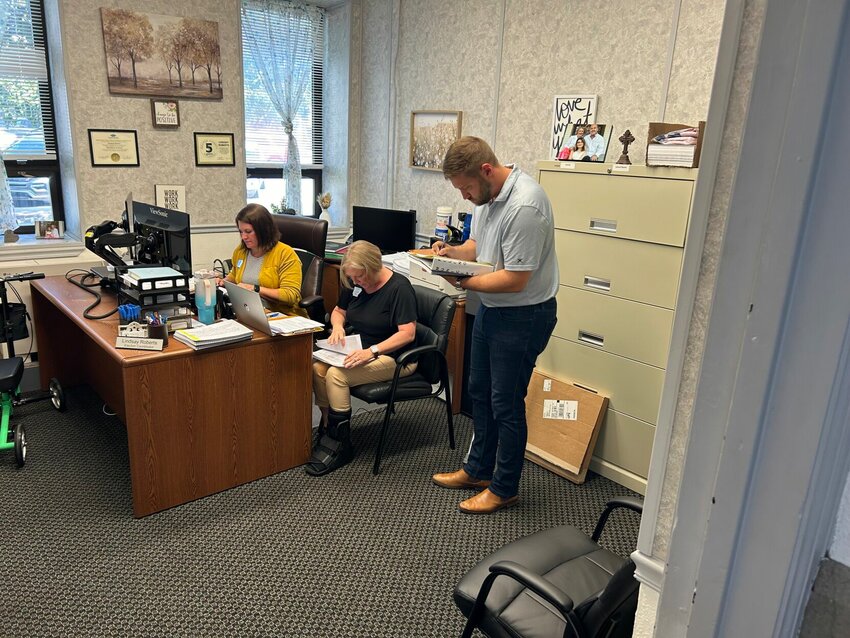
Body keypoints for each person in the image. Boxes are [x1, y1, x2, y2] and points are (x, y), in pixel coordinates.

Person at [431, 136, 559, 514]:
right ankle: (478, 470)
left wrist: (463, 282)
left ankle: (504, 488)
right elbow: (476, 246)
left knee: (506, 403)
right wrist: (451, 255)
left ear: (486, 171)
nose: (465, 196)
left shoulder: (525, 206)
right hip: (492, 308)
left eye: (467, 188)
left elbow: (515, 278)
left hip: (522, 315)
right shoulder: (487, 198)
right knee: (479, 390)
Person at [306, 240, 418, 476]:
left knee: (336, 375)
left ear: (373, 268)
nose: (356, 283)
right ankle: (328, 429)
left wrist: (372, 351)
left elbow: (408, 334)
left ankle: (342, 444)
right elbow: (339, 311)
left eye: (360, 278)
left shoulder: (399, 288)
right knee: (318, 368)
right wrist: (337, 326)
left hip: (394, 357)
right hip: (359, 348)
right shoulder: (355, 280)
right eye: (353, 279)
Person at [218, 203, 305, 317]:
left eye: (248, 232)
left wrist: (255, 289)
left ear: (263, 230)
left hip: (282, 316)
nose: (243, 237)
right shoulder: (241, 251)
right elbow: (235, 276)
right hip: (251, 313)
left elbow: (290, 295)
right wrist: (223, 281)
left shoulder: (286, 254)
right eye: (241, 232)